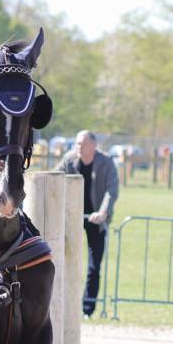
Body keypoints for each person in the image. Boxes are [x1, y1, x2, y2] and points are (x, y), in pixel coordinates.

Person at [57, 130, 119, 318]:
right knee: (65, 262)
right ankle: (63, 305)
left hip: (96, 220)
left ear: (93, 145)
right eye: (77, 143)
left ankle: (87, 309)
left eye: (81, 143)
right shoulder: (69, 161)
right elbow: (54, 180)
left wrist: (103, 212)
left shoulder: (106, 163)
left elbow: (112, 190)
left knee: (94, 266)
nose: (78, 147)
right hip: (72, 219)